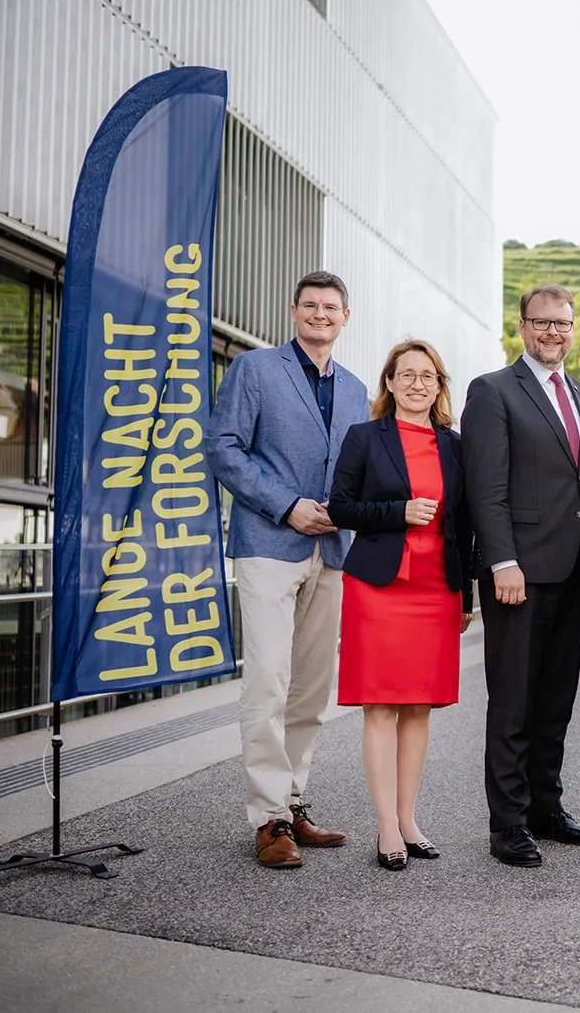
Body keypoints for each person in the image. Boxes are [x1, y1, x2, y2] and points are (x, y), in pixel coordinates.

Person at [207, 270, 370, 869]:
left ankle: (294, 800)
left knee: (311, 690)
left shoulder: (356, 389)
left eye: (332, 307)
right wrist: (286, 504)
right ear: (293, 310)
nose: (321, 315)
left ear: (346, 317)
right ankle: (268, 817)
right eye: (311, 305)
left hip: (333, 553)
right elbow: (223, 448)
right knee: (269, 681)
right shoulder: (255, 370)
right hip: (269, 545)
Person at [462, 284, 580, 868]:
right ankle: (509, 823)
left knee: (556, 700)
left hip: (575, 570)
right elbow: (485, 487)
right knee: (514, 701)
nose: (553, 333)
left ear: (573, 328)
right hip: (518, 572)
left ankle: (547, 806)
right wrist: (501, 562)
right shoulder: (493, 391)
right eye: (542, 323)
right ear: (521, 326)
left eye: (563, 324)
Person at [329, 340, 474, 871]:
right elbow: (341, 507)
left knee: (419, 707)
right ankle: (385, 826)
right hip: (380, 587)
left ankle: (409, 819)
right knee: (381, 706)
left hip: (438, 585)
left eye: (428, 376)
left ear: (439, 387)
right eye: (407, 374)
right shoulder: (365, 437)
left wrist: (467, 594)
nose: (418, 384)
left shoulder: (454, 445)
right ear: (388, 383)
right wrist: (398, 511)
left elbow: (467, 526)